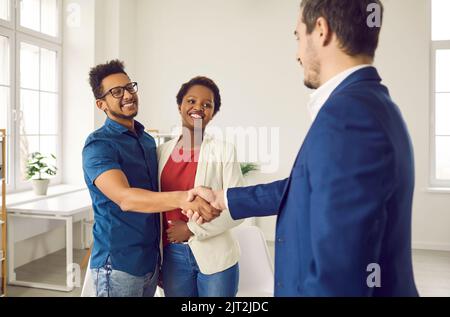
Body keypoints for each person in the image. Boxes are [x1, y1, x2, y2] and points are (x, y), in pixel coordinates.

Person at [187, 0, 419, 297]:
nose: (297, 54)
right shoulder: (369, 103)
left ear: (321, 30)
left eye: (298, 36)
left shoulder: (348, 117)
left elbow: (340, 276)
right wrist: (224, 198)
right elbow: (306, 185)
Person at [82, 60, 218, 297]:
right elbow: (125, 198)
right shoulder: (99, 145)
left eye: (130, 87)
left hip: (150, 262)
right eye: (116, 91)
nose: (127, 95)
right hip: (118, 266)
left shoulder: (146, 140)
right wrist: (185, 198)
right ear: (101, 104)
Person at [158, 76, 244, 297]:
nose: (198, 108)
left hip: (215, 256)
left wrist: (190, 229)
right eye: (191, 101)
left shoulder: (224, 151)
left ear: (213, 113)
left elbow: (239, 207)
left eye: (207, 105)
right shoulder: (160, 152)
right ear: (180, 106)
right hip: (172, 256)